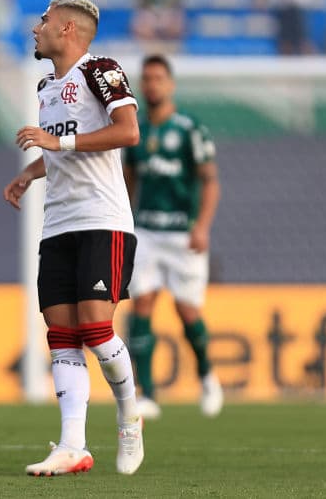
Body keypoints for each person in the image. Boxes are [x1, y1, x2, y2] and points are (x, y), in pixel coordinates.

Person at [3, 0, 144, 476]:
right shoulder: (45, 86)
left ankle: (129, 414)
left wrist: (55, 142)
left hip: (103, 218)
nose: (35, 27)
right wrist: (30, 172)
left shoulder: (100, 69)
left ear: (66, 29)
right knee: (61, 333)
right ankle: (73, 445)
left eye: (43, 20)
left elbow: (127, 132)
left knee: (96, 330)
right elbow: (63, 148)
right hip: (58, 223)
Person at [123, 54, 222, 421]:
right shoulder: (135, 129)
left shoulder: (189, 128)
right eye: (146, 79)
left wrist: (202, 226)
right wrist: (125, 220)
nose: (152, 85)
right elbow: (129, 177)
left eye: (158, 78)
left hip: (182, 233)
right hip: (146, 230)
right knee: (143, 305)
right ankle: (147, 392)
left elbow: (210, 180)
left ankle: (207, 374)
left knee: (187, 311)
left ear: (170, 84)